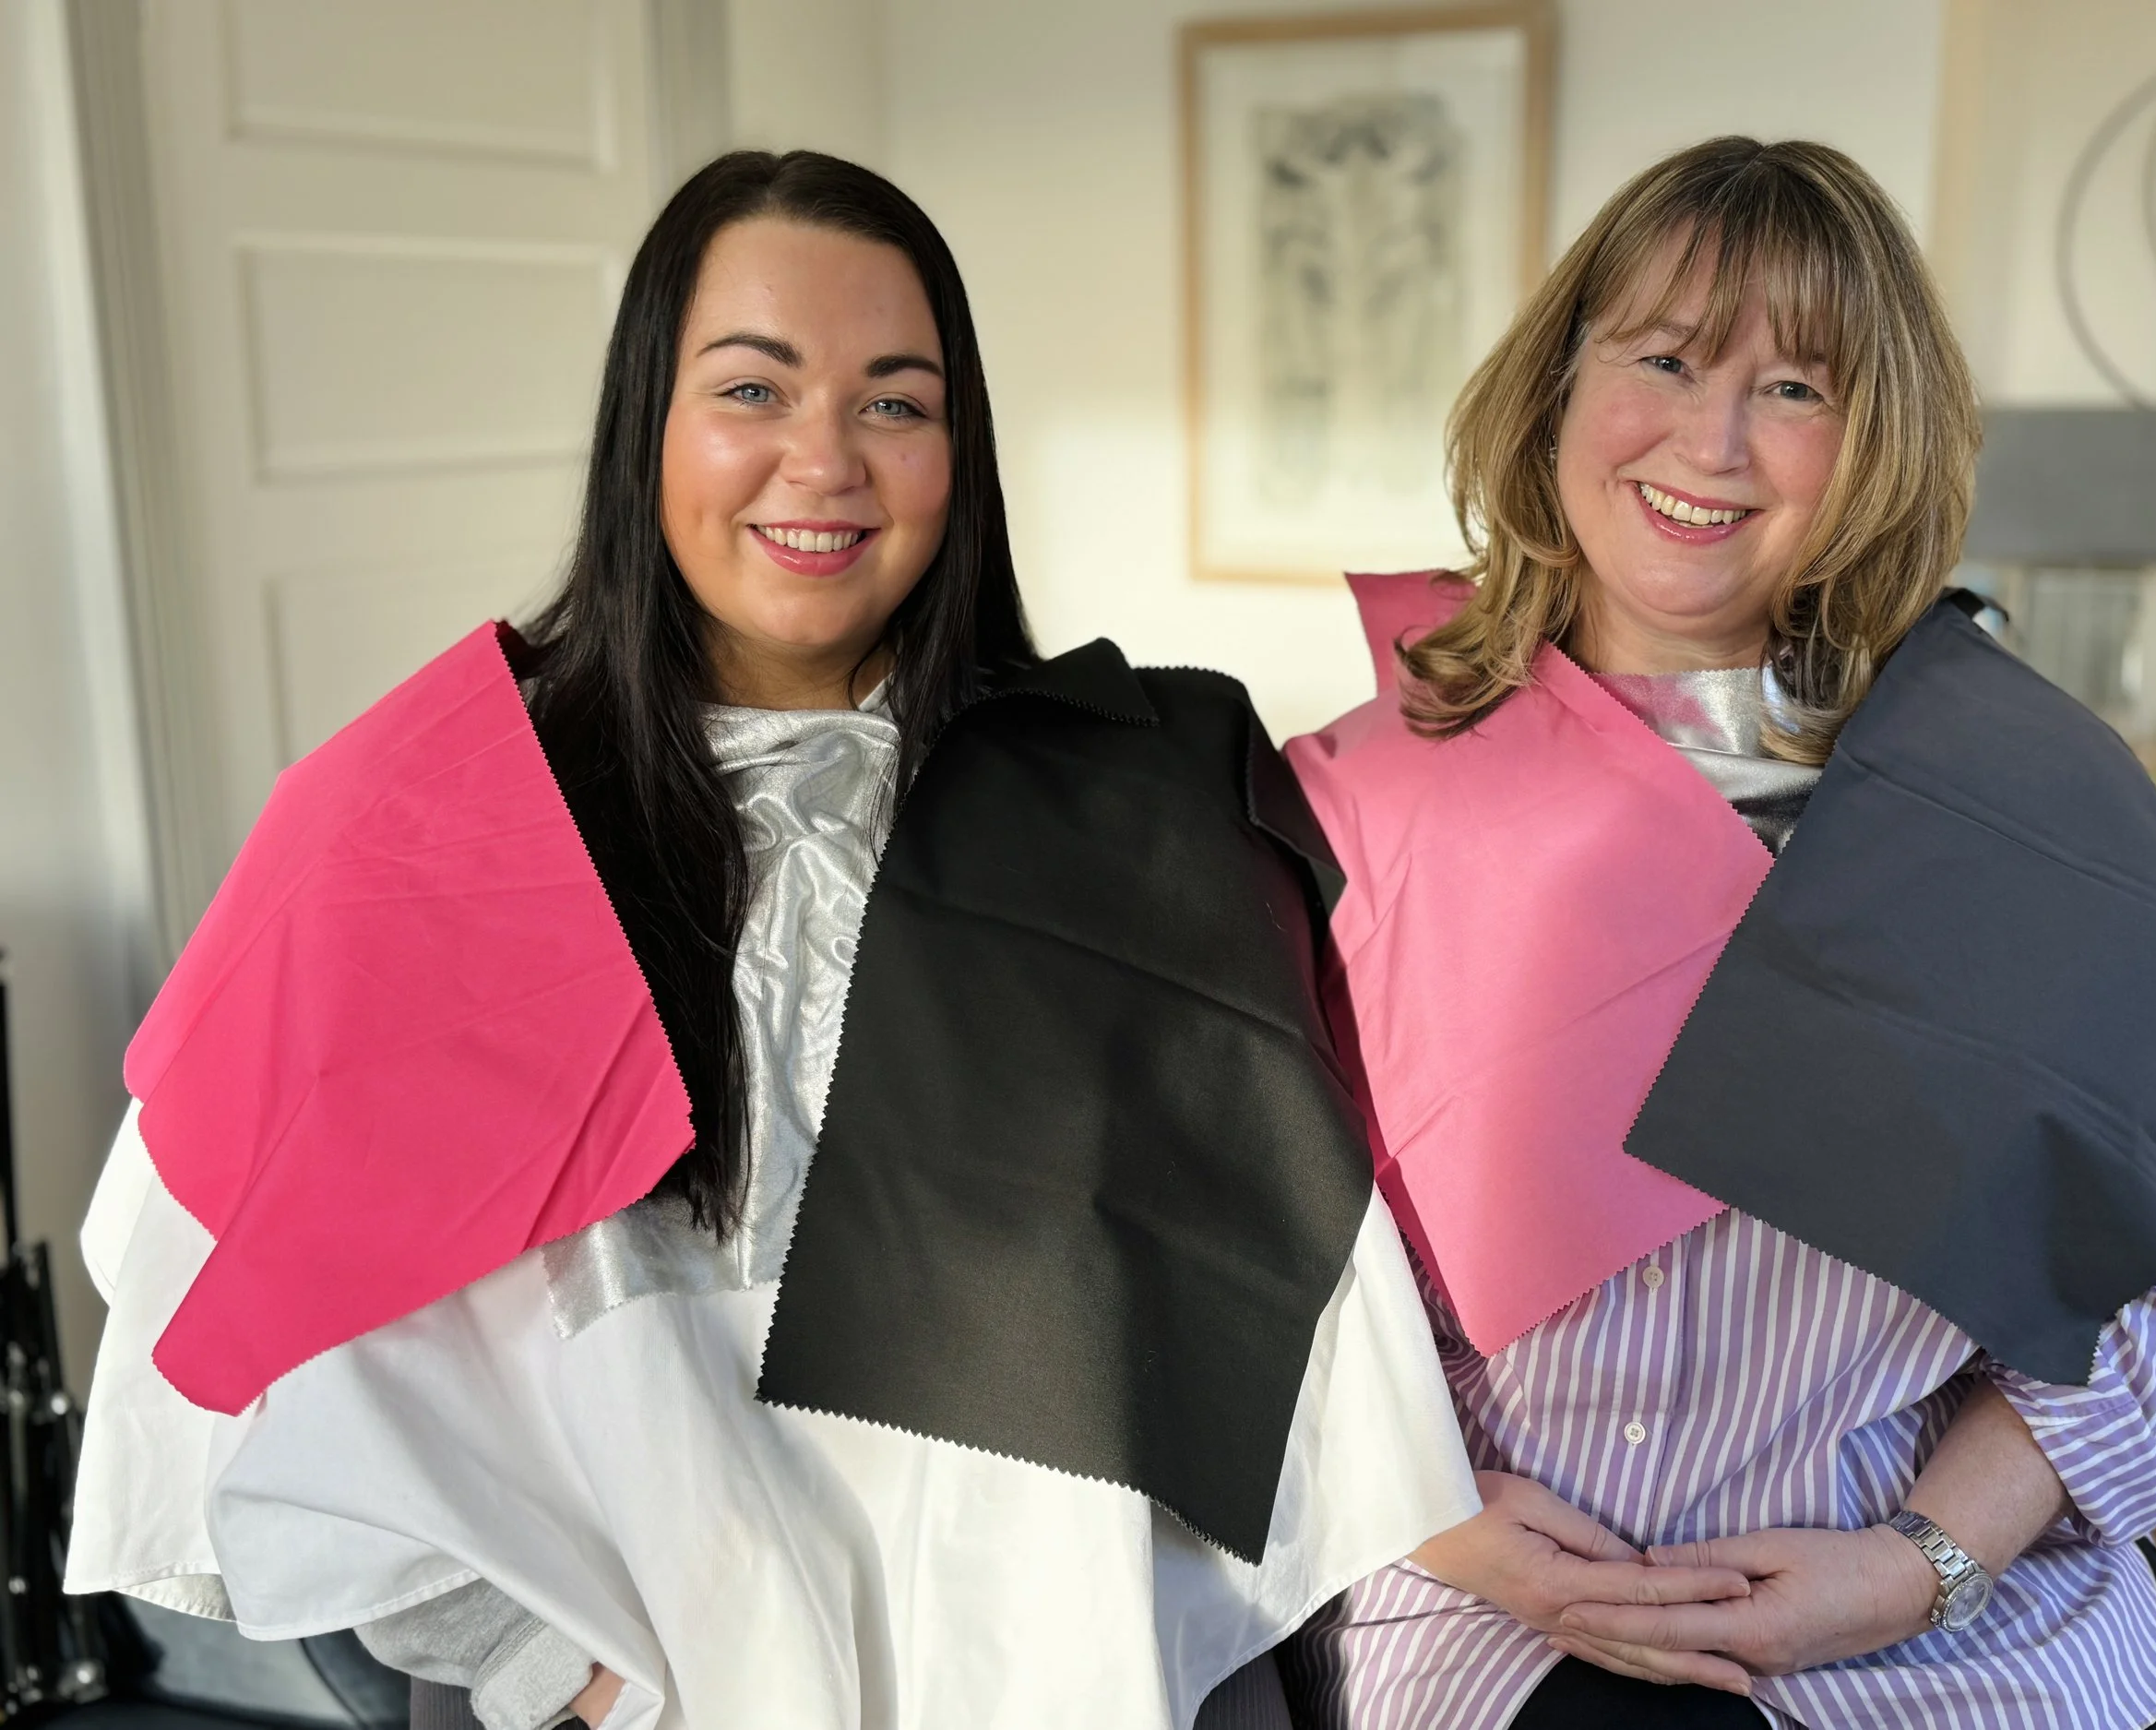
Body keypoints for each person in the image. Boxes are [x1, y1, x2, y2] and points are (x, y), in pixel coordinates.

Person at [63, 150, 1490, 1730]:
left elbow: (1268, 1299)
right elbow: (267, 1356)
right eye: (754, 389)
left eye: (896, 402)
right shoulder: (437, 819)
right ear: (647, 428)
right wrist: (566, 1677)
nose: (825, 463)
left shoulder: (1126, 803)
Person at [1280, 137, 2156, 1729]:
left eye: (1796, 388)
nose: (1711, 438)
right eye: (1662, 357)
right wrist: (1423, 1507)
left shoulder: (2031, 810)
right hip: (1499, 1601)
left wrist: (1928, 1557)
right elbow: (1237, 1251)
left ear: (1875, 442)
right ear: (1555, 392)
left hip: (1953, 1630)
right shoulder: (1349, 805)